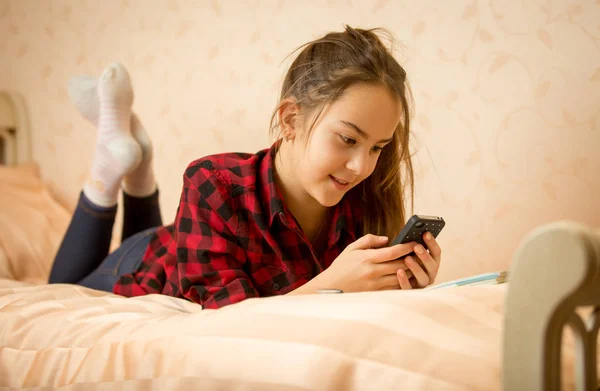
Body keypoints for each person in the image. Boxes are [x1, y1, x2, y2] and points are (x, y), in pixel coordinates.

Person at [48, 25, 443, 309]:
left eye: (377, 148)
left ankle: (138, 166)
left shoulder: (361, 205)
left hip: (183, 240)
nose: (361, 167)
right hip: (144, 262)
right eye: (348, 139)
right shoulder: (212, 183)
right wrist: (333, 286)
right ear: (290, 120)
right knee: (57, 290)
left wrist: (403, 283)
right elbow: (227, 322)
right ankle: (112, 165)